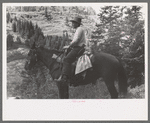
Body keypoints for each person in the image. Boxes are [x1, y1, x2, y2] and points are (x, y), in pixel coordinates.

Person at [55, 16, 86, 83]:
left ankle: (64, 77)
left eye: (74, 23)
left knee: (66, 60)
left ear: (77, 24)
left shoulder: (79, 29)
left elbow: (76, 40)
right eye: (72, 23)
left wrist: (68, 46)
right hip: (78, 47)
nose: (72, 24)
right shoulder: (79, 29)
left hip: (78, 48)